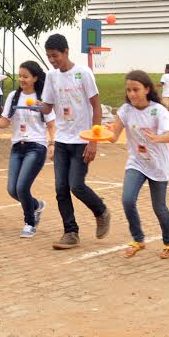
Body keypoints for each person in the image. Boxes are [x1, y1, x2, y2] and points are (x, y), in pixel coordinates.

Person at [40, 33, 111, 250]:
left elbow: (96, 106)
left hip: (82, 140)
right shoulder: (52, 77)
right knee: (61, 188)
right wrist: (30, 101)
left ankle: (101, 211)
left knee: (76, 185)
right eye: (49, 57)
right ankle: (70, 232)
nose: (52, 61)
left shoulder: (83, 73)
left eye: (55, 56)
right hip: (62, 139)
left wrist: (93, 141)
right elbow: (47, 107)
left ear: (66, 52)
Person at [109, 70, 169, 259]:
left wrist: (158, 137)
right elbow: (114, 137)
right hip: (136, 163)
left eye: (136, 89)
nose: (132, 94)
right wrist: (103, 134)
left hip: (157, 165)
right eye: (129, 90)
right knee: (127, 200)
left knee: (159, 207)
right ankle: (138, 239)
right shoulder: (125, 110)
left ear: (147, 89)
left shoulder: (158, 110)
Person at [0, 61, 56, 238]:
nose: (22, 79)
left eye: (26, 76)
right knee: (12, 189)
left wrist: (52, 144)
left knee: (22, 186)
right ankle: (36, 206)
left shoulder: (42, 99)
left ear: (35, 78)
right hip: (17, 147)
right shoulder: (13, 97)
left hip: (36, 146)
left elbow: (51, 124)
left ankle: (29, 223)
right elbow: (5, 121)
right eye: (20, 76)